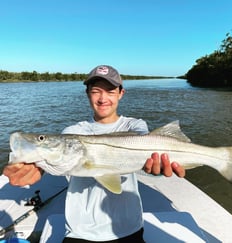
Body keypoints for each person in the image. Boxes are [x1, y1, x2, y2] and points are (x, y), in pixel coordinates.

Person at [3, 65, 185, 243]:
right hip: (80, 231)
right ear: (87, 93)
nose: (103, 98)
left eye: (110, 91)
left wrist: (159, 168)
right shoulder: (73, 131)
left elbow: (147, 154)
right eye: (96, 91)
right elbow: (59, 159)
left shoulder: (135, 126)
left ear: (121, 93)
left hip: (129, 227)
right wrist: (35, 166)